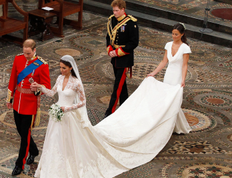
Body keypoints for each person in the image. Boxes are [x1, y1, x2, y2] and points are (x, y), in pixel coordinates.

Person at [31, 55, 191, 178]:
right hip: (57, 115)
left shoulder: (76, 83)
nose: (61, 70)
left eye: (64, 68)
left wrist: (68, 108)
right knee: (55, 141)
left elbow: (82, 102)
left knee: (71, 142)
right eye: (60, 67)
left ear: (71, 68)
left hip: (68, 115)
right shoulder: (59, 79)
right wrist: (41, 87)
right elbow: (53, 93)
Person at [6, 39, 51, 176]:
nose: (26, 56)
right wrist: (10, 98)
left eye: (29, 53)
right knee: (21, 130)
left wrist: (38, 89)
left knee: (25, 135)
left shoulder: (42, 65)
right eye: (25, 53)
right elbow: (13, 78)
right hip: (18, 101)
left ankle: (19, 164)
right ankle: (34, 150)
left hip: (30, 104)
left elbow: (47, 86)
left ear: (34, 50)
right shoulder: (18, 59)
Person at [147, 22, 192, 133]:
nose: (174, 36)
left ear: (182, 34)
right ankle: (168, 125)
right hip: (169, 74)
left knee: (173, 100)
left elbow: (184, 65)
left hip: (177, 76)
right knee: (166, 99)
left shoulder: (185, 48)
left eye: (176, 34)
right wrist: (154, 73)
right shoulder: (168, 45)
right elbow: (164, 61)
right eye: (172, 34)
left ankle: (171, 126)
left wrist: (183, 80)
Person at [105, 0, 139, 118]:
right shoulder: (112, 20)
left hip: (124, 58)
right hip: (114, 57)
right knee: (122, 86)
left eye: (117, 10)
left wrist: (118, 52)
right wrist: (110, 50)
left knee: (117, 86)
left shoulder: (131, 23)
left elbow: (134, 43)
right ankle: (126, 107)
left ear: (123, 9)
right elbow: (108, 37)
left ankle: (110, 112)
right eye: (113, 10)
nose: (114, 13)